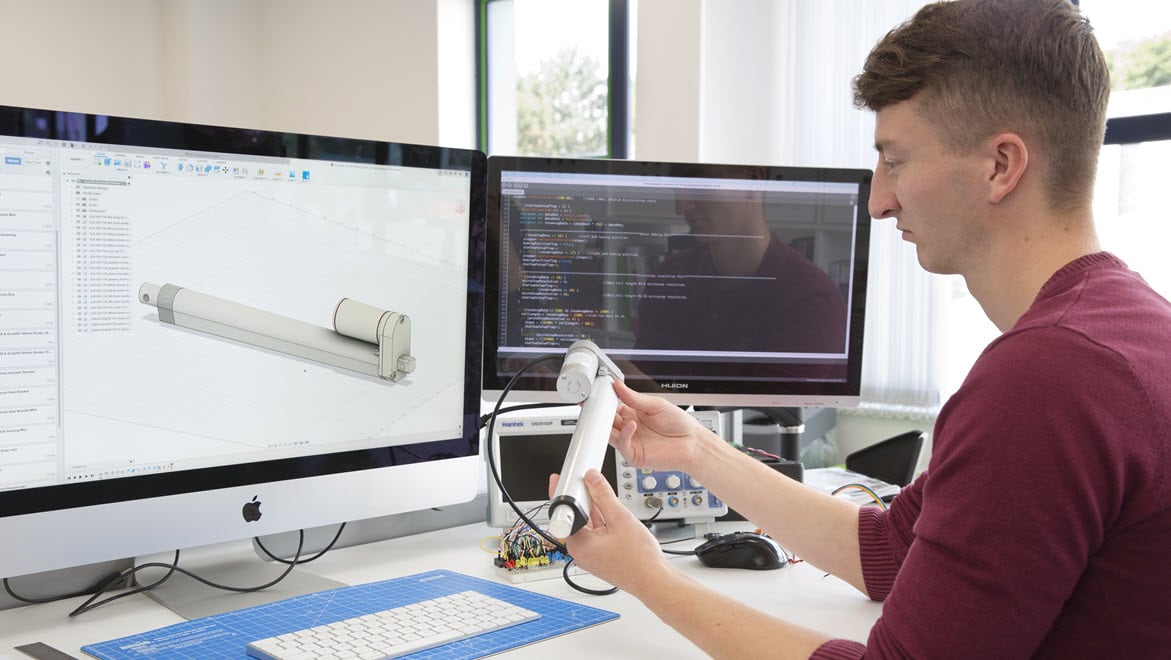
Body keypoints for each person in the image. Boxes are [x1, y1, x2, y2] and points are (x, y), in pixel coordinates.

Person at [550, 1, 1171, 657]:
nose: (878, 200)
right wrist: (697, 451)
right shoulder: (1123, 328)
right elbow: (889, 549)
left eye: (895, 161)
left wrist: (648, 578)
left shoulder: (1045, 380)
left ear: (1000, 166)